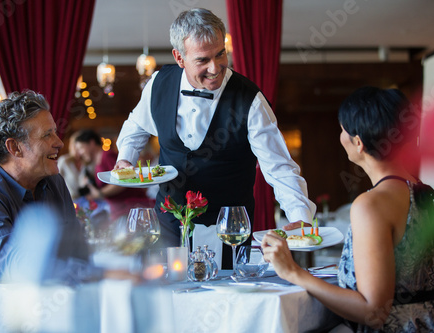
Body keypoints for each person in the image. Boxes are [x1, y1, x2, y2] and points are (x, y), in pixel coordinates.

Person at [114, 8, 315, 267]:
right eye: (202, 60)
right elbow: (136, 125)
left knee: (226, 299)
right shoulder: (158, 83)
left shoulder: (249, 99)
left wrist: (300, 216)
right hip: (169, 222)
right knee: (169, 296)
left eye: (221, 54)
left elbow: (279, 166)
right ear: (179, 57)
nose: (215, 67)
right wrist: (125, 160)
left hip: (229, 228)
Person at [262, 86, 434, 332]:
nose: (340, 135)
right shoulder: (423, 194)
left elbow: (374, 312)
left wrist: (293, 272)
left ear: (358, 142)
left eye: (342, 129)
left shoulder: (371, 205)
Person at [0, 91, 132, 318]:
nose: (59, 142)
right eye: (47, 135)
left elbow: (77, 249)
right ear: (15, 147)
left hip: (47, 305)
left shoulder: (53, 180)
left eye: (55, 133)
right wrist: (101, 274)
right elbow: (18, 264)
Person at [75, 130, 152, 228]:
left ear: (92, 143)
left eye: (81, 148)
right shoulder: (98, 162)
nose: (79, 153)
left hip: (130, 209)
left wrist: (100, 194)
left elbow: (121, 181)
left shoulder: (107, 156)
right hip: (120, 210)